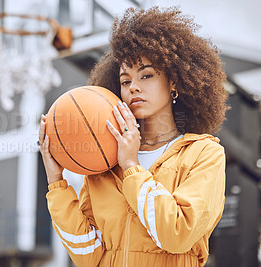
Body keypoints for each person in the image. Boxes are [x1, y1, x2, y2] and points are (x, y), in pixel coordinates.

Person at [38, 6, 229, 267]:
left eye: (147, 75)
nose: (134, 87)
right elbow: (87, 255)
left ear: (173, 82)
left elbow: (177, 233)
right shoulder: (103, 161)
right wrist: (56, 182)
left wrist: (131, 166)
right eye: (125, 81)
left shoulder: (203, 154)